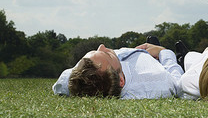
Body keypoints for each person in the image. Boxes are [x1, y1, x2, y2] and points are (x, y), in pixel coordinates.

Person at [53, 43, 184, 99]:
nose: (102, 46)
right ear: (121, 80)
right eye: (107, 55)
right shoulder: (158, 82)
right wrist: (163, 51)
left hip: (137, 52)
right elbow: (178, 81)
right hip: (156, 60)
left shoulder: (70, 82)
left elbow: (63, 81)